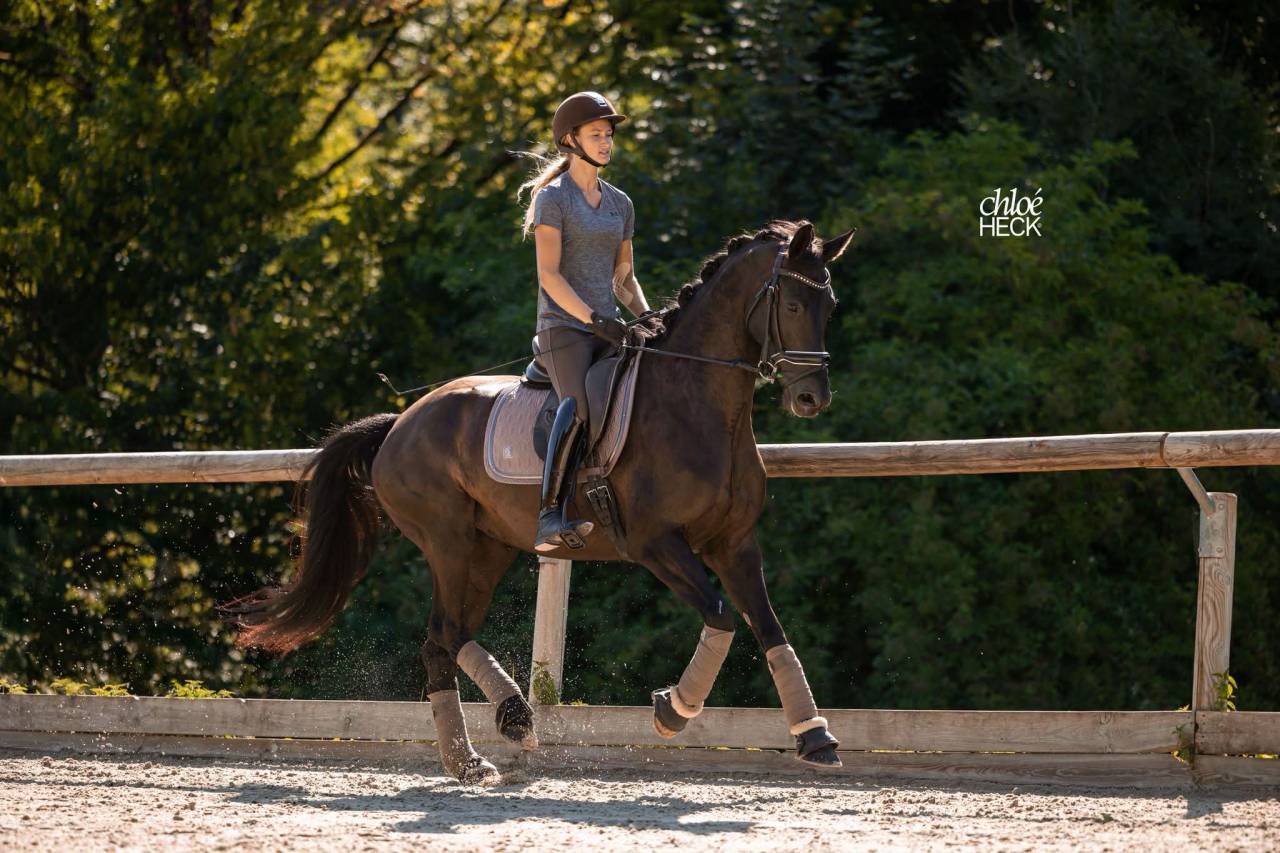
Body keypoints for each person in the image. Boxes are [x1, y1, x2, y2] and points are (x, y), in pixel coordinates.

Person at [518, 91, 651, 552]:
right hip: (564, 329)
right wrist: (592, 318)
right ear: (570, 140)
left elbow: (624, 277)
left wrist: (647, 318)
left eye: (608, 134)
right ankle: (549, 514)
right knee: (577, 403)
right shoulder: (553, 200)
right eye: (596, 134)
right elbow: (548, 276)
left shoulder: (620, 203)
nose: (605, 142)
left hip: (608, 326)